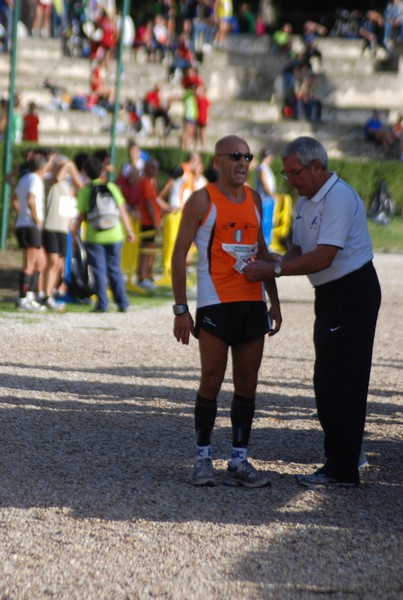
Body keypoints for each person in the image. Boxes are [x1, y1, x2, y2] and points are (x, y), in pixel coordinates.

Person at [244, 136, 381, 489]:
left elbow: (323, 256)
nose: (290, 180)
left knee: (341, 380)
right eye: (286, 174)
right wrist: (275, 260)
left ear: (317, 166)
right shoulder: (306, 200)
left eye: (295, 173)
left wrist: (273, 271)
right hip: (330, 292)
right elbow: (300, 249)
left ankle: (342, 467)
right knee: (328, 378)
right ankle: (348, 453)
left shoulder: (338, 197)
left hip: (352, 289)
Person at [171, 134, 282, 488]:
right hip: (216, 303)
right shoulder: (202, 200)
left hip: (251, 304)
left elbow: (262, 251)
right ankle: (203, 458)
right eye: (235, 156)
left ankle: (239, 459)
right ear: (217, 161)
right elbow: (178, 256)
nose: (243, 163)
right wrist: (180, 309)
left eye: (248, 157)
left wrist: (274, 300)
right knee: (212, 380)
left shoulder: (255, 198)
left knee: (248, 382)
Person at [71, 156, 135, 312]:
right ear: (101, 171)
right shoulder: (112, 187)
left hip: (95, 236)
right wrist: (130, 231)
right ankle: (122, 302)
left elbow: (81, 216)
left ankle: (102, 303)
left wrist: (74, 234)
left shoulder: (85, 191)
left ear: (86, 172)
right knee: (114, 268)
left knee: (99, 270)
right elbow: (123, 212)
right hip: (115, 234)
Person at [12, 153, 48, 311]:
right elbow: (31, 200)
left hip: (23, 224)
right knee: (29, 264)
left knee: (41, 263)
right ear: (41, 167)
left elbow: (14, 198)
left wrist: (21, 214)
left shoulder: (23, 179)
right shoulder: (35, 180)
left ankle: (30, 296)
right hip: (30, 226)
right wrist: (35, 218)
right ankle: (23, 298)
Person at [255, 149, 277, 248]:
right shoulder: (262, 168)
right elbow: (264, 184)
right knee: (265, 222)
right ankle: (264, 246)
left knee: (268, 223)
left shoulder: (265, 168)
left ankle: (266, 245)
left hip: (267, 199)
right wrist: (272, 195)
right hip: (265, 200)